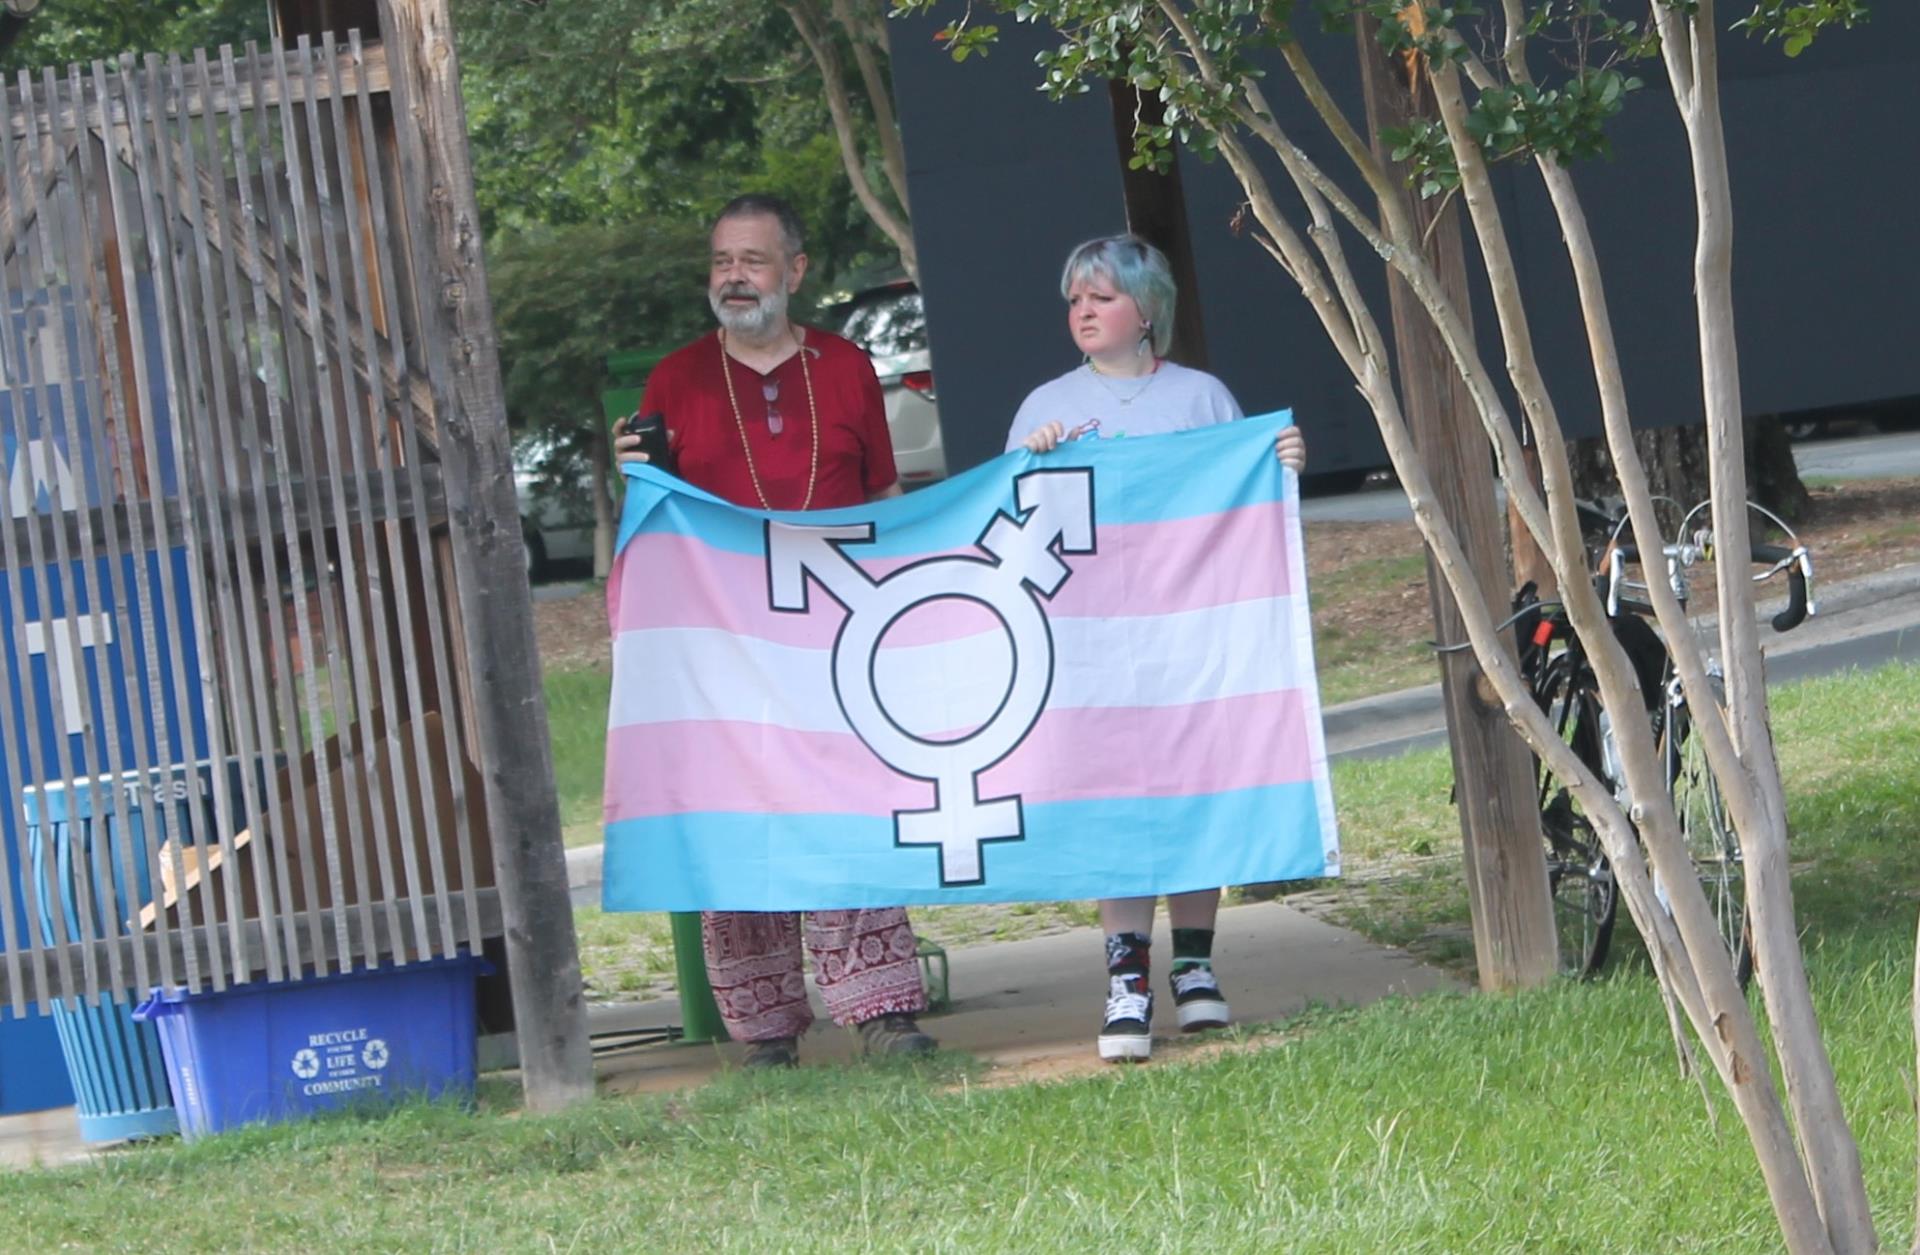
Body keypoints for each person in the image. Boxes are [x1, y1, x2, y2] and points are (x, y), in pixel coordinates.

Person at [614, 194, 934, 1069]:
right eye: (722, 261)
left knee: (849, 810)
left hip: (836, 634)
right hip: (720, 648)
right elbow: (655, 525)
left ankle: (881, 1010)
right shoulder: (675, 379)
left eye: (752, 261)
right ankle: (765, 1028)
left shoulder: (847, 366)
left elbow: (884, 499)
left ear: (794, 271)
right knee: (737, 822)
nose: (734, 277)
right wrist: (632, 471)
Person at [1005, 234, 1308, 1063]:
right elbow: (1010, 527)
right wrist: (1030, 463)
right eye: (1075, 299)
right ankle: (1127, 980)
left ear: (1147, 310)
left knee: (1192, 787)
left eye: (1101, 297)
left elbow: (1242, 504)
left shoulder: (1202, 397)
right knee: (1116, 798)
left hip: (1189, 639)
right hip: (1093, 646)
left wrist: (1281, 461)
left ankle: (1196, 965)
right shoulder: (1043, 406)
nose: (1083, 312)